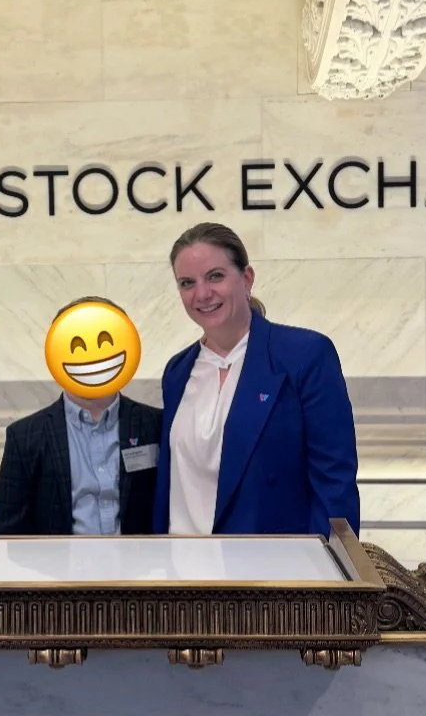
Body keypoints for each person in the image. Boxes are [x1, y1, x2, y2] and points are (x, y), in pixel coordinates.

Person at [154, 223, 360, 538]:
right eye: (187, 283)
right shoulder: (177, 372)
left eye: (215, 276)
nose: (202, 293)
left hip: (271, 576)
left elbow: (334, 483)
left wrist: (327, 580)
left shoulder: (305, 356)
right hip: (185, 575)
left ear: (246, 278)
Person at [0, 297, 162, 536]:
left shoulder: (155, 425)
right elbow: (7, 531)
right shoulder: (25, 436)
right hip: (61, 571)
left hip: (139, 569)